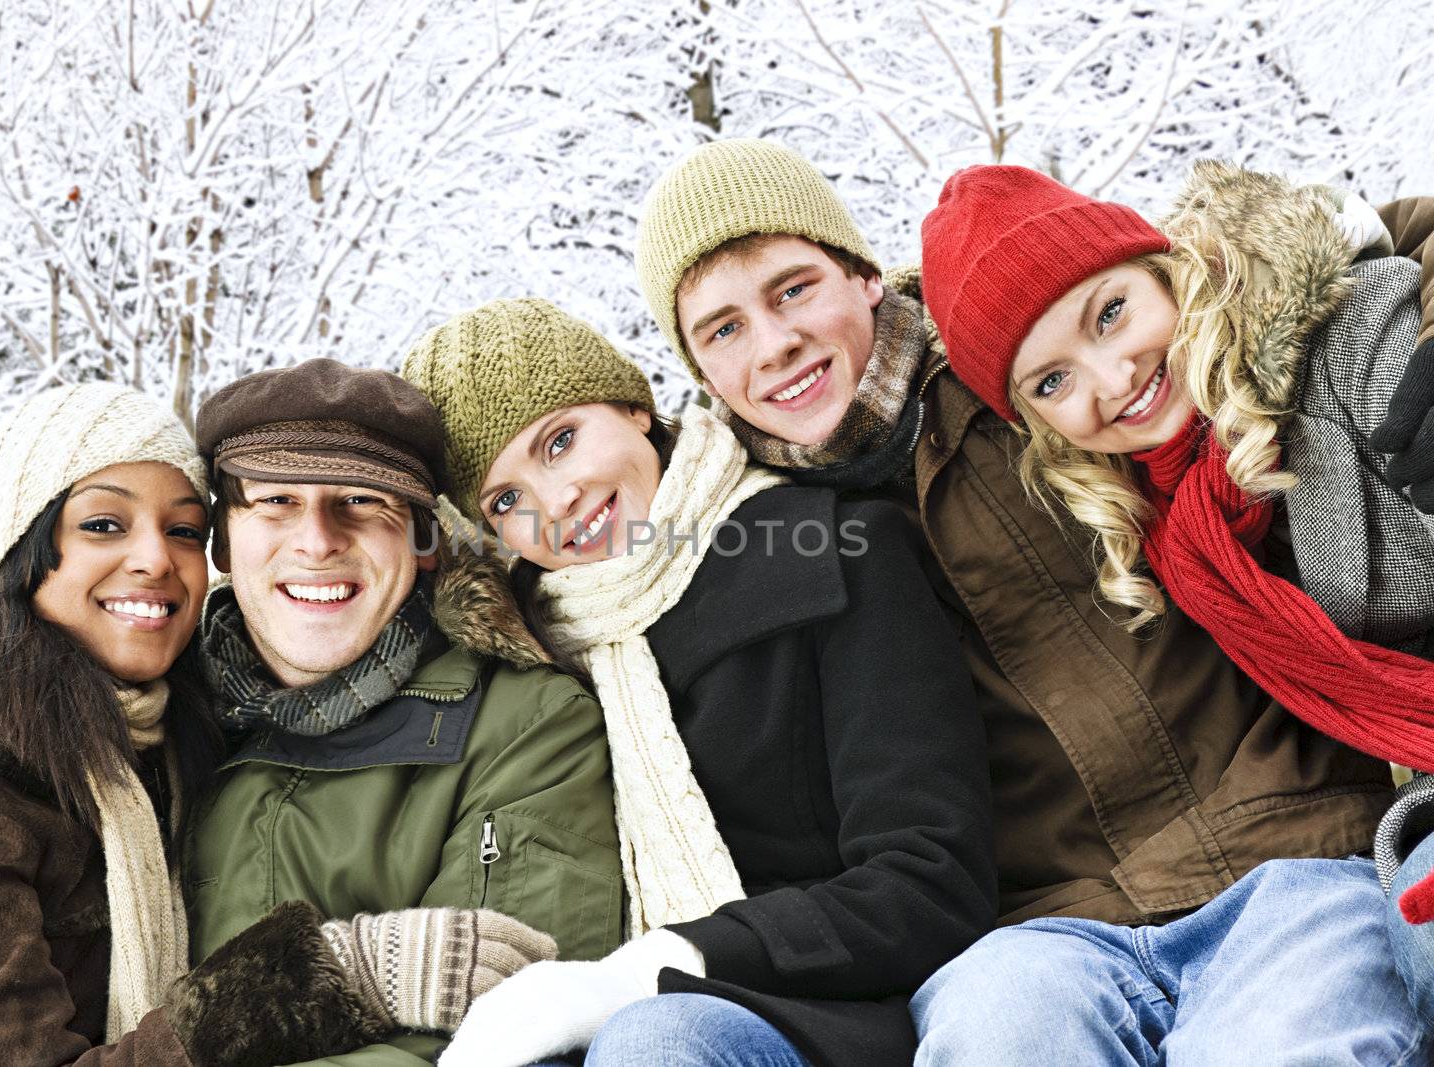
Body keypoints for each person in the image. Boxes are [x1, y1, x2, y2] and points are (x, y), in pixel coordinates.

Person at [635, 139, 1433, 1062]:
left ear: (860, 276)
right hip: (1040, 932)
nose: (774, 345)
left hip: (1281, 847)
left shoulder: (1018, 353)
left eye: (792, 289)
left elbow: (1313, 262)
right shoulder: (751, 532)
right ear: (698, 371)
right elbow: (558, 544)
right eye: (722, 329)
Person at [401, 298, 994, 1067]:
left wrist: (655, 969)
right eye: (505, 500)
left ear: (633, 409)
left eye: (561, 442)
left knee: (655, 1042)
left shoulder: (832, 550)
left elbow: (933, 878)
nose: (556, 504)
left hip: (839, 1015)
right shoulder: (531, 652)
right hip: (599, 1024)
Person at [920, 161, 1434, 1031]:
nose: (1110, 377)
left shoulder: (1340, 344)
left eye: (1110, 313)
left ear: (1164, 268)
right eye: (1051, 382)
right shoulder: (1170, 527)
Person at [0, 383, 386, 1066]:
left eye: (184, 530)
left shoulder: (169, 736)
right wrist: (321, 980)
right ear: (20, 552)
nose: (157, 559)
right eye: (104, 525)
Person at [184, 358, 624, 1065]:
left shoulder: (529, 728)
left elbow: (503, 1043)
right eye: (275, 501)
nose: (318, 540)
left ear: (422, 541)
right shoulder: (150, 725)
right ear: (223, 542)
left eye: (362, 501)